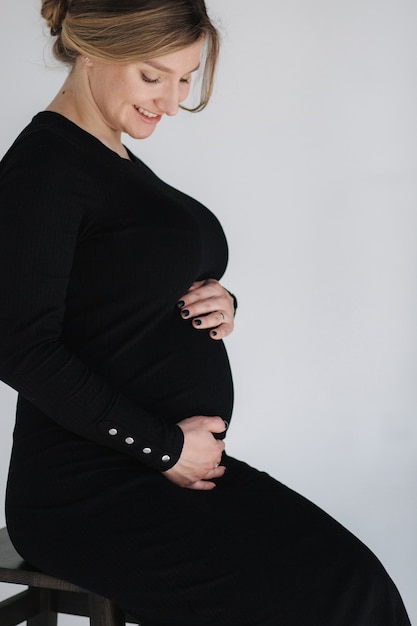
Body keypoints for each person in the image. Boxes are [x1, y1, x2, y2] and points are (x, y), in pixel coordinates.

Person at [0, 1, 411, 624]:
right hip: (88, 493)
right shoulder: (44, 167)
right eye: (153, 75)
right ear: (93, 50)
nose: (170, 101)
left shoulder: (109, 157)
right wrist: (163, 447)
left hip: (164, 472)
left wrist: (219, 297)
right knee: (338, 597)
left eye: (185, 78)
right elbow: (18, 345)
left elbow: (114, 289)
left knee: (356, 586)